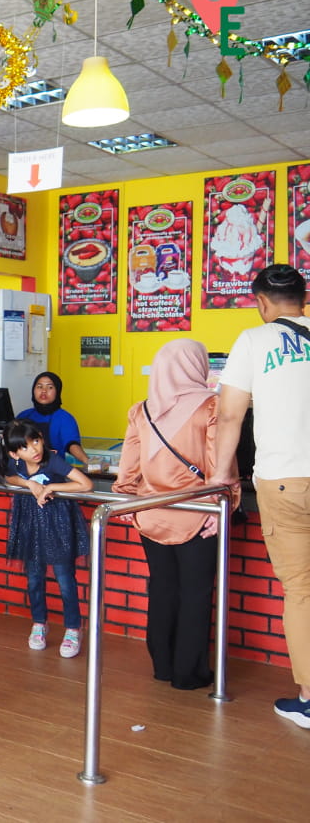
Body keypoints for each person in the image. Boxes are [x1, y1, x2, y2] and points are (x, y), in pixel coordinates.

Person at [211, 264, 310, 727]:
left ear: (261, 302)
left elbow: (229, 418)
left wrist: (221, 477)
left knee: (302, 592)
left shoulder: (254, 341)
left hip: (283, 483)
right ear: (303, 299)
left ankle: (309, 699)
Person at [114, 339, 238, 690]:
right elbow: (221, 466)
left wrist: (125, 497)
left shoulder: (141, 410)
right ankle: (189, 673)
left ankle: (163, 666)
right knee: (195, 594)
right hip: (198, 515)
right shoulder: (212, 405)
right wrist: (225, 502)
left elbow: (128, 468)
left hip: (151, 515)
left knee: (163, 589)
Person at [0, 419, 92, 658]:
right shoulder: (15, 463)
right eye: (26, 446)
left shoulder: (52, 461)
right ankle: (39, 622)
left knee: (65, 580)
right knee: (33, 579)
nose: (35, 449)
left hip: (58, 524)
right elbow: (8, 476)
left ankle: (73, 628)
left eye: (36, 441)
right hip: (30, 526)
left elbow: (86, 484)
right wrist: (27, 483)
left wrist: (52, 488)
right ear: (14, 453)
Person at [16, 372, 91, 466]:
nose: (44, 391)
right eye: (39, 386)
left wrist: (88, 462)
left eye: (50, 387)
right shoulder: (24, 416)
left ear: (57, 392)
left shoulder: (64, 418)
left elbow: (72, 444)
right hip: (24, 470)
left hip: (54, 470)